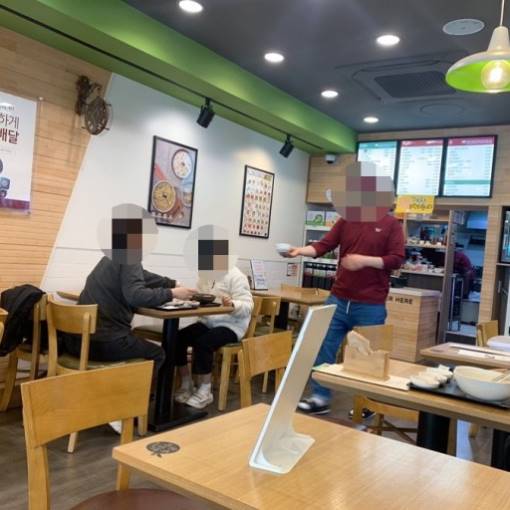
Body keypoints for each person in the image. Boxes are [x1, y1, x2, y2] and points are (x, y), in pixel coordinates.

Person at [287, 213, 405, 415]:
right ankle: (320, 397)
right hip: (338, 298)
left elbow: (396, 259)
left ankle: (367, 403)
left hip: (371, 303)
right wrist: (299, 251)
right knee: (324, 346)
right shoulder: (347, 219)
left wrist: (364, 261)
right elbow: (324, 245)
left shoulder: (391, 224)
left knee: (369, 356)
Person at [174, 266, 253, 409]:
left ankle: (205, 391)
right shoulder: (205, 274)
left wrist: (233, 304)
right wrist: (192, 298)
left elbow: (248, 306)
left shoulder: (236, 276)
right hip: (208, 322)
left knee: (204, 343)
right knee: (178, 338)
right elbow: (202, 299)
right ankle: (187, 383)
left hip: (231, 325)